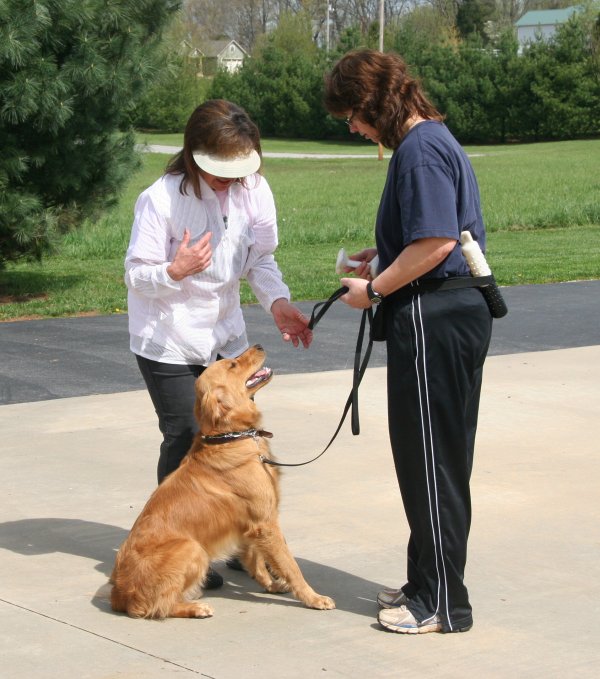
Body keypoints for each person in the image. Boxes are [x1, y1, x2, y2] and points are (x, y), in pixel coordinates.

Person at [324, 49, 493, 634]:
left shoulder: (418, 151)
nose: (352, 127)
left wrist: (374, 289)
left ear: (373, 102)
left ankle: (443, 602)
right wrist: (387, 259)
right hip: (451, 312)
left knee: (430, 461)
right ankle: (426, 581)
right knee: (433, 457)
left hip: (434, 315)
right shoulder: (434, 140)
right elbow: (426, 240)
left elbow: (437, 243)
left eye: (352, 115)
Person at [124, 99, 312, 588]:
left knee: (236, 442)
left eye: (239, 171)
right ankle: (189, 546)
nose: (231, 182)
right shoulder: (160, 199)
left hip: (224, 335)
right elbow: (136, 275)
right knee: (188, 437)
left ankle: (243, 542)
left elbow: (261, 259)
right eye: (219, 172)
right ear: (193, 156)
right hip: (168, 336)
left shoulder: (255, 191)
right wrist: (173, 270)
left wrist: (278, 303)